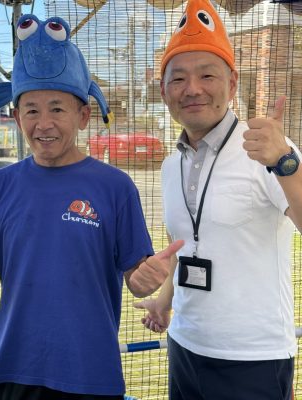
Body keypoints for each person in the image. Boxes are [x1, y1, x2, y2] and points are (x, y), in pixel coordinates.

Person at [0, 14, 183, 400]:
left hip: (91, 374)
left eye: (57, 109)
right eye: (31, 110)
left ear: (83, 116)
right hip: (13, 370)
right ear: (17, 117)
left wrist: (146, 279)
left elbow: (135, 277)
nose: (43, 123)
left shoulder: (115, 188)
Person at [134, 0, 302, 399]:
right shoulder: (170, 165)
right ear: (164, 91)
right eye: (178, 79)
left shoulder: (268, 150)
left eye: (207, 75)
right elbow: (184, 246)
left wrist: (286, 163)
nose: (192, 89)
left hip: (253, 358)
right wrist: (164, 301)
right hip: (184, 346)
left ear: (232, 82)